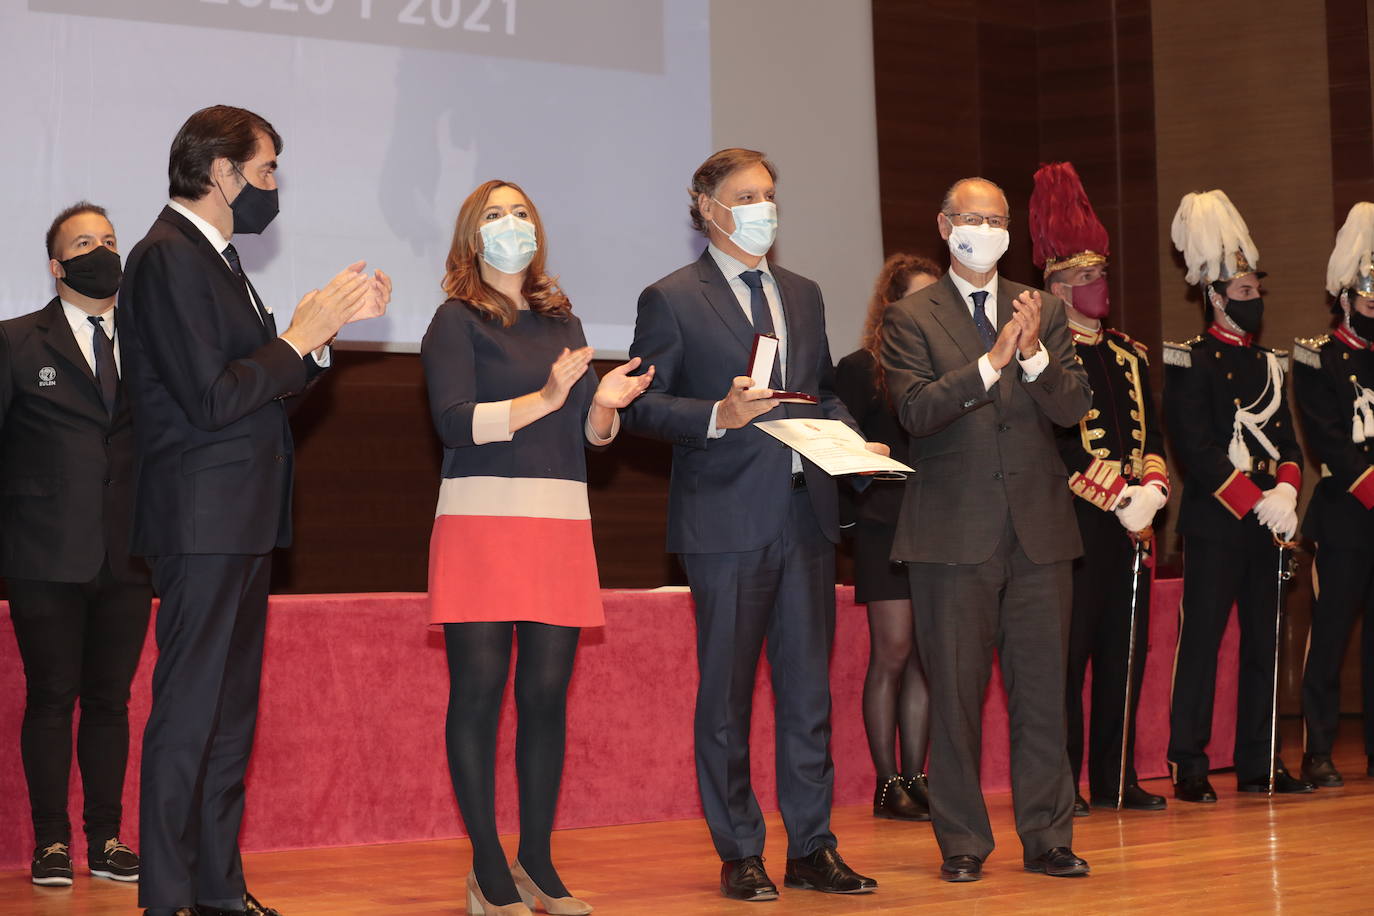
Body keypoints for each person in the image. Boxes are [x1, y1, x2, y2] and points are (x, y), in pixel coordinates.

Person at [120, 105, 390, 916]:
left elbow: (260, 404)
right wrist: (296, 336)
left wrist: (317, 337)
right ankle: (166, 896)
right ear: (221, 172)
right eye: (266, 170)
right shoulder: (166, 257)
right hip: (199, 521)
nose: (275, 186)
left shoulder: (221, 260)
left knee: (229, 717)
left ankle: (218, 891)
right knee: (190, 711)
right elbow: (209, 399)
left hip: (239, 516)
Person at [621, 148, 882, 902]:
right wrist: (717, 414)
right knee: (728, 696)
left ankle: (812, 846)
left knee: (807, 695)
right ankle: (739, 849)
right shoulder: (670, 298)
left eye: (769, 194)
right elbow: (638, 403)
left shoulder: (802, 293)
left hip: (807, 516)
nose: (763, 208)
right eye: (745, 196)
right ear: (707, 207)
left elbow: (820, 392)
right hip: (727, 522)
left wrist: (852, 440)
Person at [423, 179, 653, 916]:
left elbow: (586, 435)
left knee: (547, 696)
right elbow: (456, 424)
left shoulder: (564, 321)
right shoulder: (454, 321)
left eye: (520, 213)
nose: (510, 224)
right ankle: (487, 866)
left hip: (557, 521)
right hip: (483, 522)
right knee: (481, 694)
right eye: (494, 215)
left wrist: (603, 409)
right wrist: (548, 400)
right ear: (471, 236)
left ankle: (537, 859)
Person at [880, 176, 1093, 883]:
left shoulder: (1043, 311)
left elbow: (1071, 409)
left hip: (1037, 533)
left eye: (998, 220)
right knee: (958, 697)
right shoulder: (911, 316)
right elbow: (915, 409)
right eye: (973, 218)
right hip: (951, 536)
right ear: (945, 225)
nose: (987, 230)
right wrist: (991, 361)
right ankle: (963, 840)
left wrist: (1031, 353)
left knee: (1041, 693)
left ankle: (1047, 835)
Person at [2, 203, 152, 887]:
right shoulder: (15, 342)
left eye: (110, 241)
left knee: (110, 701)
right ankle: (52, 843)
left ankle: (107, 836)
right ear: (58, 265)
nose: (102, 251)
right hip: (44, 557)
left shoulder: (150, 343)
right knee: (51, 697)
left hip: (126, 556)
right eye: (85, 243)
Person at [1162, 189, 1314, 801]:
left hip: (1267, 523)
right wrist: (1256, 498)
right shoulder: (1186, 360)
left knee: (1266, 643)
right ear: (1216, 297)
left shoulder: (1273, 364)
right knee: (1200, 645)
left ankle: (1260, 761)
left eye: (1257, 292)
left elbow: (1290, 443)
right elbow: (1193, 450)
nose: (1256, 302)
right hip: (1217, 521)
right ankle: (1189, 764)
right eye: (1245, 293)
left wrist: (1287, 489)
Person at [1030, 162, 1170, 815]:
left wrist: (1151, 490)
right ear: (1053, 287)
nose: (1095, 286)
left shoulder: (1129, 355)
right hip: (1074, 525)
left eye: (1100, 274)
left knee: (1124, 653)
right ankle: (1062, 784)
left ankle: (1116, 776)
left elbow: (1154, 433)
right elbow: (1052, 447)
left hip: (1132, 526)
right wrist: (1115, 495)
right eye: (1081, 277)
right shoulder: (1044, 358)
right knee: (1067, 658)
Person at [834, 253, 941, 822]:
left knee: (925, 657)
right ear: (890, 305)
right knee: (893, 651)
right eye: (916, 299)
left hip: (936, 524)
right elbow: (835, 448)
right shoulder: (857, 367)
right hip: (881, 524)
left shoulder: (947, 368)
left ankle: (917, 777)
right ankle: (885, 781)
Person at [1293, 201, 1374, 786]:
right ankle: (1318, 749)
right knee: (1329, 637)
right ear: (1346, 298)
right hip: (1347, 516)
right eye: (1370, 301)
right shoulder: (1315, 354)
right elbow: (1326, 437)